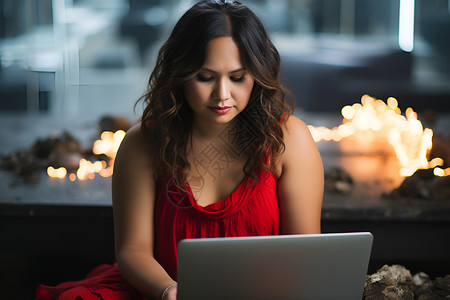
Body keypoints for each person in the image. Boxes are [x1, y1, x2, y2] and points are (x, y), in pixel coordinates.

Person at [36, 1, 323, 299]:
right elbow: (133, 250)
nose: (222, 94)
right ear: (181, 73)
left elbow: (304, 254)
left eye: (238, 78)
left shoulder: (289, 139)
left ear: (257, 75)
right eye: (205, 77)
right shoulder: (142, 143)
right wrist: (169, 290)